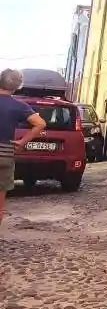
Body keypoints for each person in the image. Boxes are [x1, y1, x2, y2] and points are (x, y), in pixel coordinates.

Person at [0, 68, 47, 224]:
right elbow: (40, 124)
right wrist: (22, 142)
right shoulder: (19, 106)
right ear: (17, 86)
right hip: (4, 154)